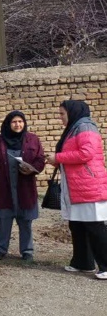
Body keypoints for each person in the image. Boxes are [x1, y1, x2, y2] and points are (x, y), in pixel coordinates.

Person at [46, 100, 107, 279]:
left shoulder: (86, 127)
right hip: (77, 186)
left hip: (88, 186)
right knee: (77, 225)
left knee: (95, 226)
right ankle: (82, 262)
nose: (60, 118)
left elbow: (86, 153)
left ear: (72, 113)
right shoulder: (74, 128)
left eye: (62, 114)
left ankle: (105, 265)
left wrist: (58, 157)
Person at [0, 111, 45, 261]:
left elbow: (40, 159)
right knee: (3, 219)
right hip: (5, 187)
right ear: (8, 124)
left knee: (25, 220)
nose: (18, 125)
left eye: (20, 121)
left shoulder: (32, 139)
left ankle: (27, 251)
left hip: (25, 187)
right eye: (14, 122)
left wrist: (32, 168)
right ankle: (0, 249)